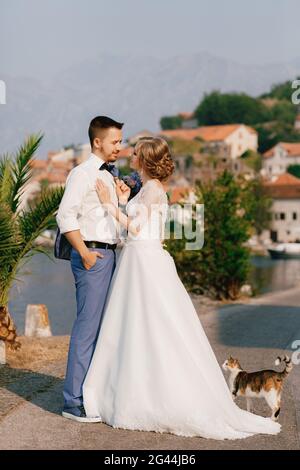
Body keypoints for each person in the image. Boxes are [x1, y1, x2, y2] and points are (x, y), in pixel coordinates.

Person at [82, 137, 281, 440]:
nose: (131, 157)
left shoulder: (151, 190)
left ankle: (146, 396)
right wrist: (123, 202)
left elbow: (135, 229)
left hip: (143, 261)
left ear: (146, 161)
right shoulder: (149, 189)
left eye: (135, 154)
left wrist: (110, 205)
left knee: (148, 327)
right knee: (142, 327)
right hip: (142, 259)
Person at [56, 116, 130, 422]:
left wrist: (122, 200)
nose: (119, 147)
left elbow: (110, 219)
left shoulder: (111, 175)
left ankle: (91, 393)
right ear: (97, 141)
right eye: (115, 141)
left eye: (120, 142)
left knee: (104, 329)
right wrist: (85, 253)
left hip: (110, 255)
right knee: (87, 330)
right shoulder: (82, 174)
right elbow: (65, 216)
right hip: (93, 257)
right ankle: (72, 402)